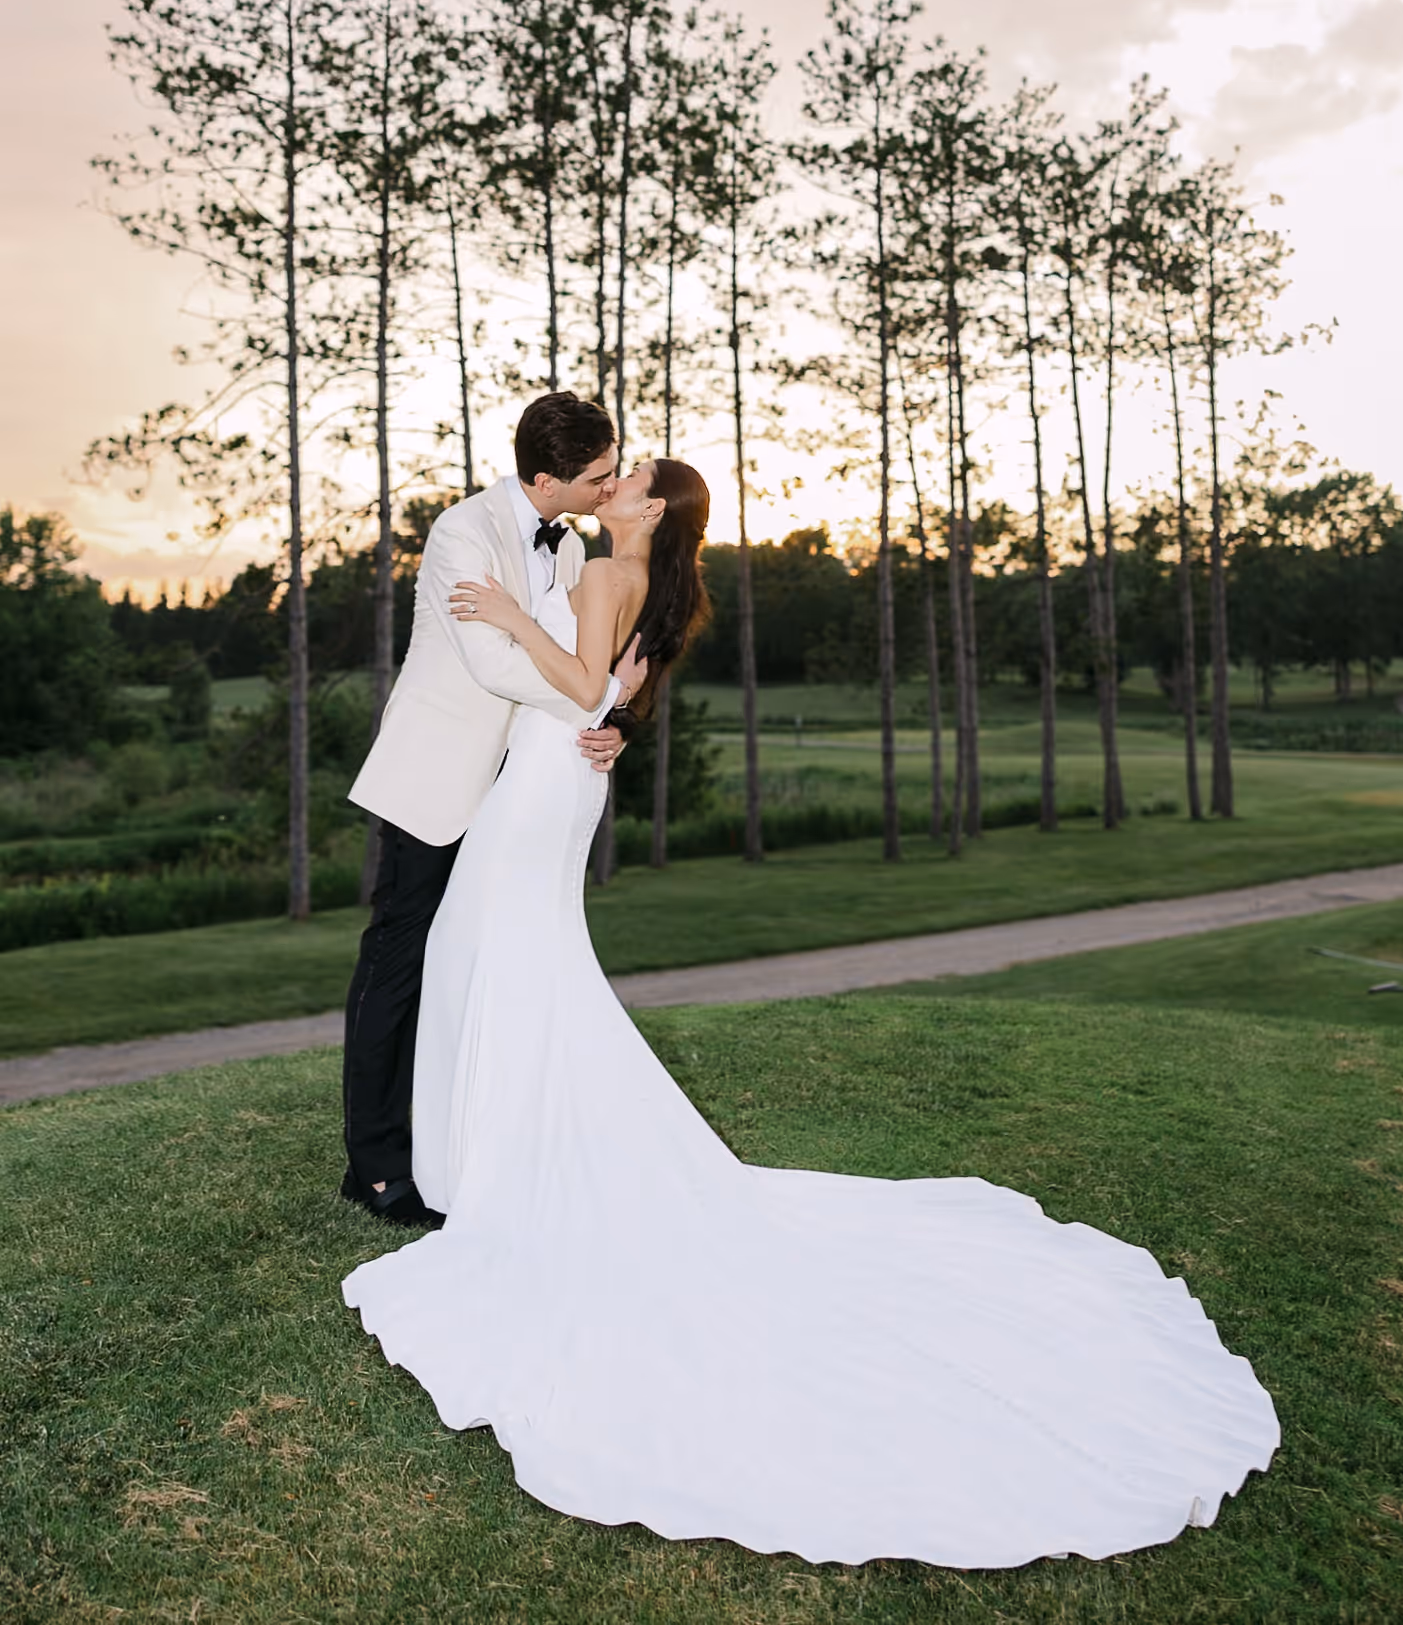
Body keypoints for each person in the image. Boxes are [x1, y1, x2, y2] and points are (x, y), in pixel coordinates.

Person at [342, 455, 1279, 1569]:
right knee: (516, 961)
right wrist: (608, 720)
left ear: (650, 510)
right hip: (563, 784)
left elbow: (576, 680)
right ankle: (484, 1153)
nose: (615, 484)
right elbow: (617, 695)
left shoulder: (603, 575)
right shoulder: (655, 579)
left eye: (631, 479)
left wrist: (506, 616)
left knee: (488, 954)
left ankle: (485, 1166)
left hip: (546, 780)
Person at [339, 391, 648, 1228]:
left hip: (519, 786)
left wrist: (608, 721)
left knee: (482, 964)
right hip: (437, 776)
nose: (608, 484)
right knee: (399, 961)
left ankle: (464, 1139)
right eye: (597, 475)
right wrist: (587, 702)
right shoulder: (461, 533)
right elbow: (490, 662)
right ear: (546, 478)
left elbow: (587, 655)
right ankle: (373, 1166)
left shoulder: (578, 546)